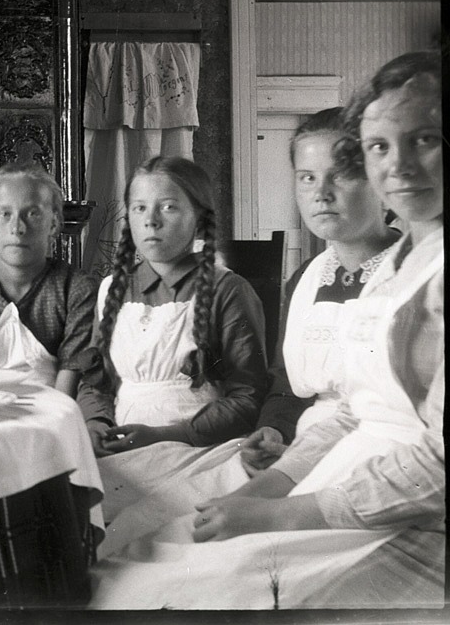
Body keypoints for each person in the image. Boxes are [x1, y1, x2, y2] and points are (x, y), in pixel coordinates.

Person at [89, 49, 443, 609]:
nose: (397, 167)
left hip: (407, 509)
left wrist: (282, 508)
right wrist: (265, 489)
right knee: (137, 561)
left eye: (425, 139)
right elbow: (347, 408)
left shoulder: (425, 271)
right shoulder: (396, 269)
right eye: (380, 146)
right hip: (331, 463)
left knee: (188, 586)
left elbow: (434, 464)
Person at [98, 108, 399, 556]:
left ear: (384, 180)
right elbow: (285, 385)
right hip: (303, 446)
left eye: (344, 175)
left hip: (376, 459)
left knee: (203, 548)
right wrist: (274, 430)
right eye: (307, 178)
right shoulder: (307, 278)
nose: (323, 194)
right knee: (143, 530)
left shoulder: (412, 274)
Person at [76, 156, 269, 520]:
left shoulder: (227, 290)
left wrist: (164, 435)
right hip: (121, 447)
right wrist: (96, 424)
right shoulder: (111, 290)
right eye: (139, 208)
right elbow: (96, 382)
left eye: (168, 207)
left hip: (198, 448)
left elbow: (248, 398)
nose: (151, 220)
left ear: (199, 217)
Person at [0, 162, 97, 395]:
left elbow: (71, 379)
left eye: (33, 213)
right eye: (5, 214)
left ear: (53, 223)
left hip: (56, 416)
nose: (17, 228)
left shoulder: (77, 289)